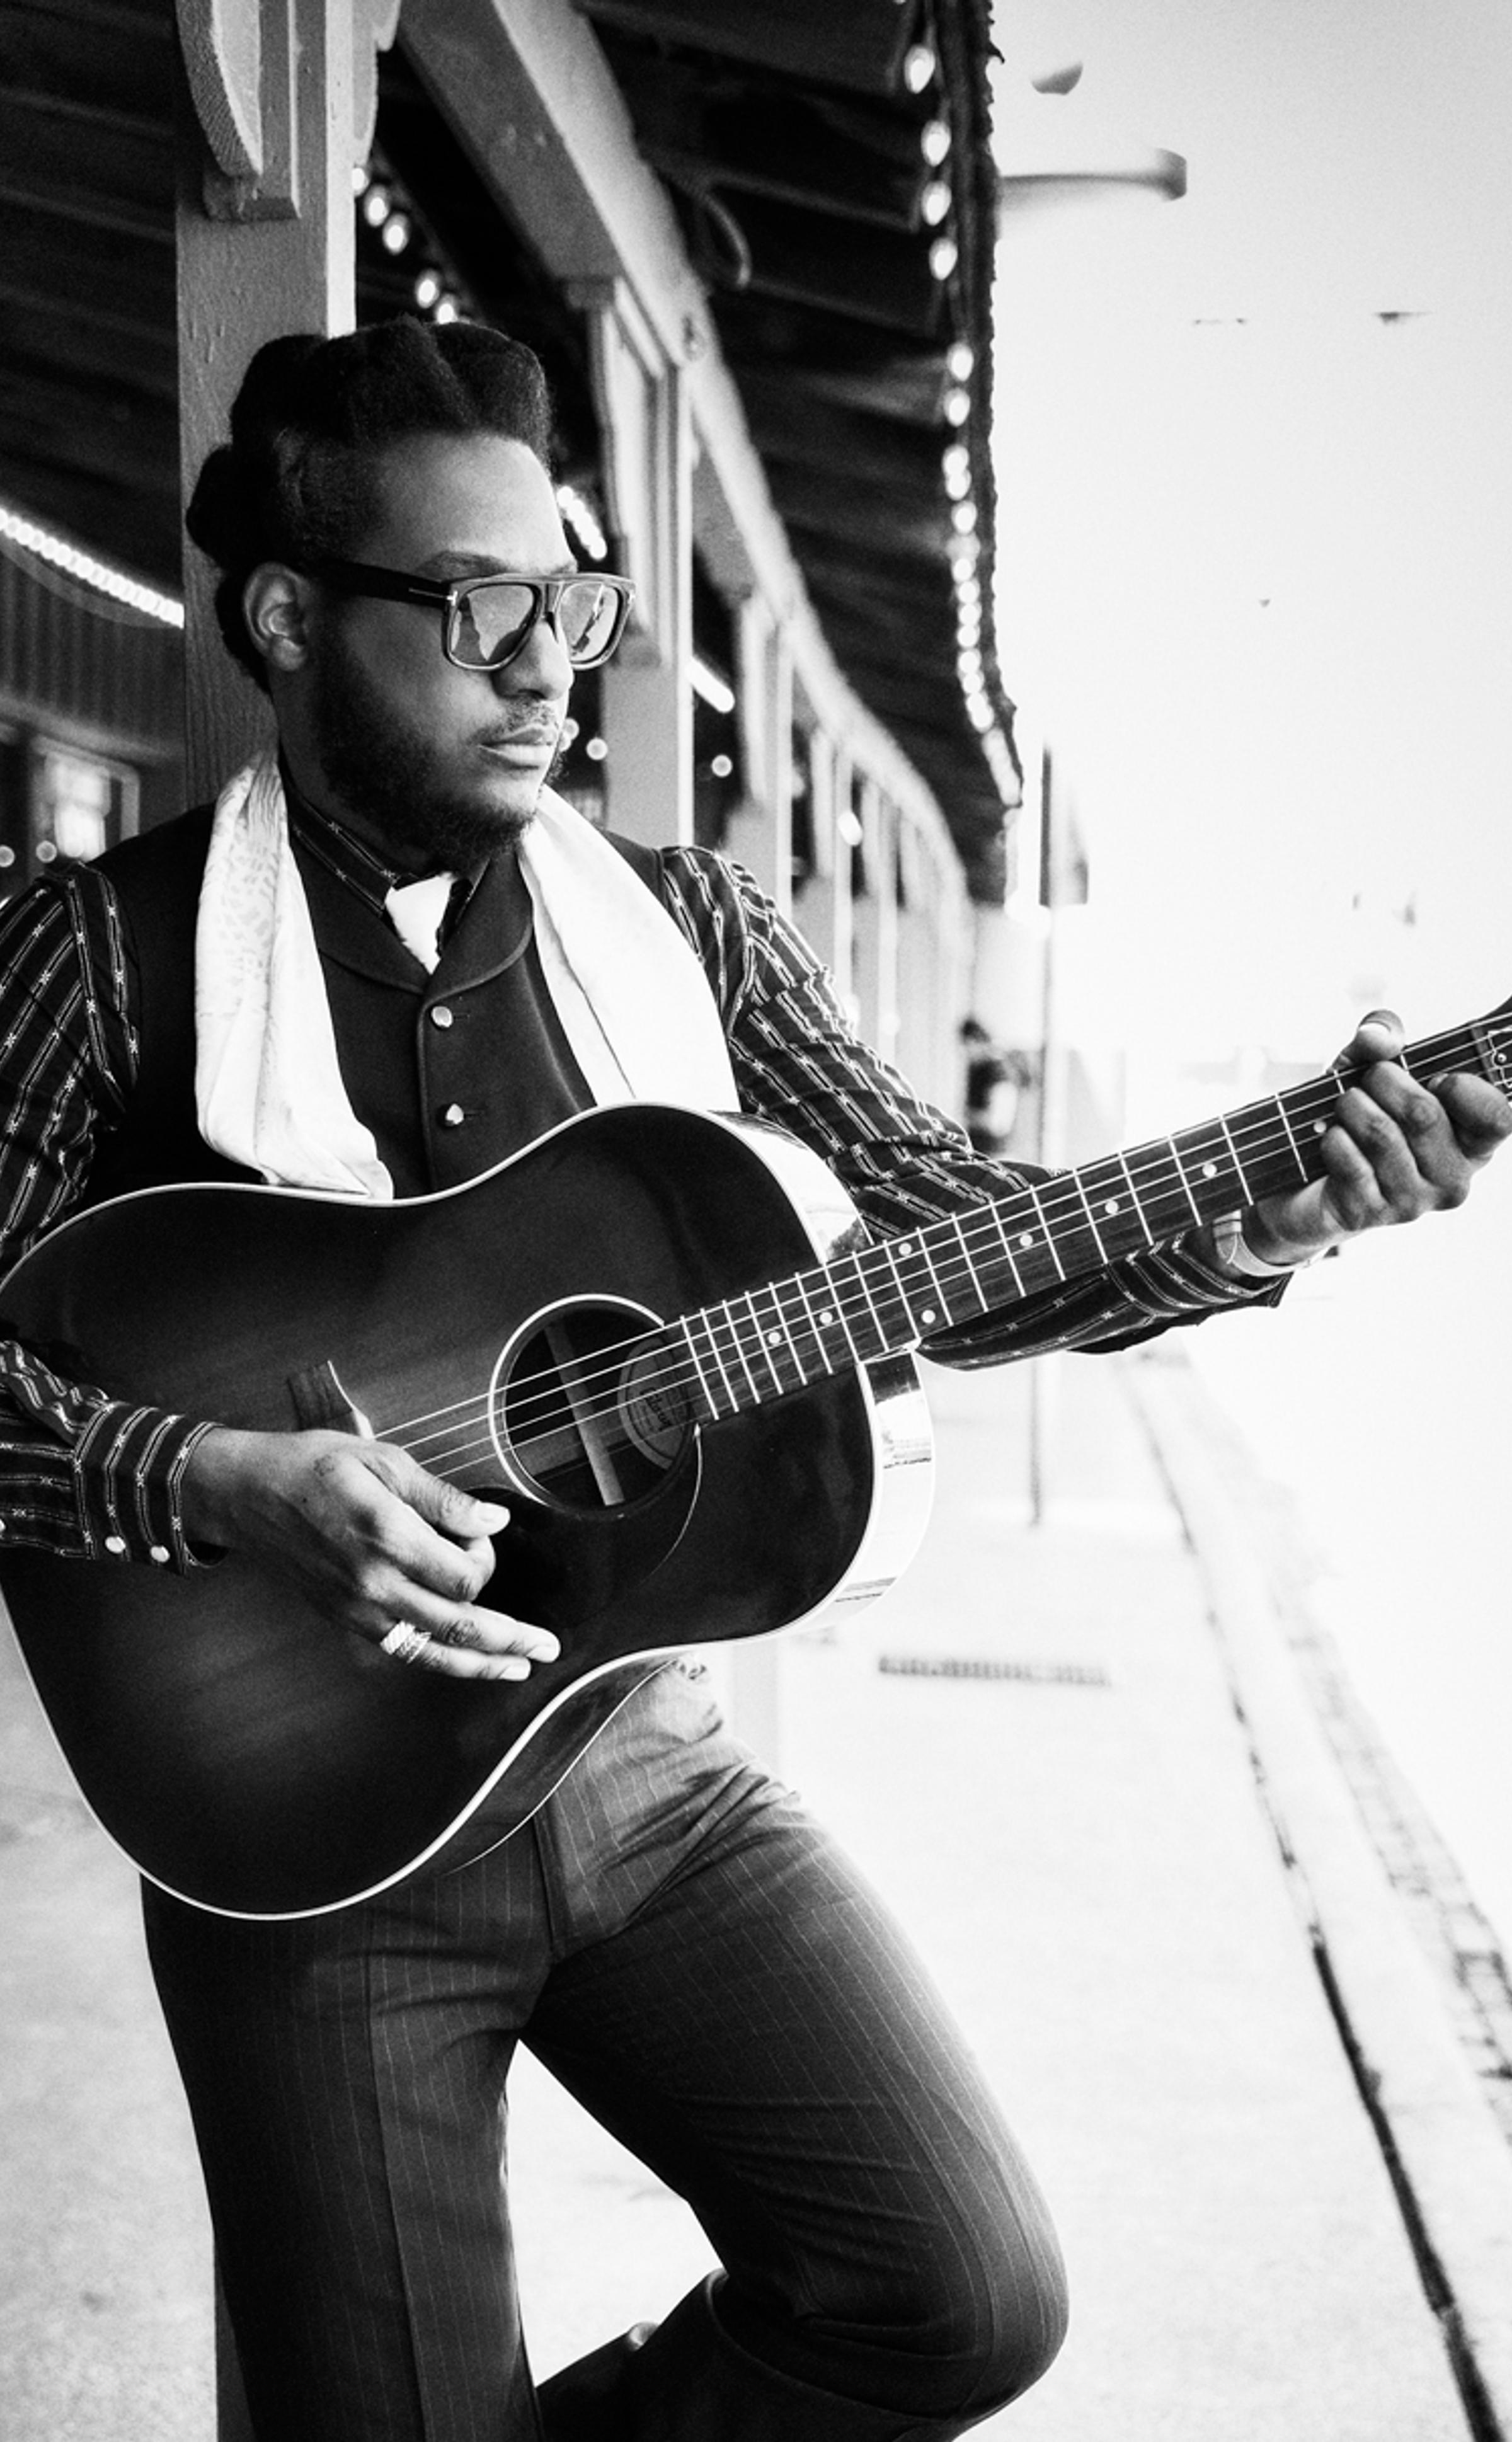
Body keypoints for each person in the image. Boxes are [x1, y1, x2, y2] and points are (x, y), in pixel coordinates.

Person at [0, 319, 1504, 2442]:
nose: (552, 665)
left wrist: (1271, 1219)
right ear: (281, 619)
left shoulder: (690, 930)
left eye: (576, 604)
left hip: (643, 1775)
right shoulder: (109, 950)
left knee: (957, 2284)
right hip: (310, 1864)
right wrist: (220, 1477)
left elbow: (946, 1230)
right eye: (481, 609)